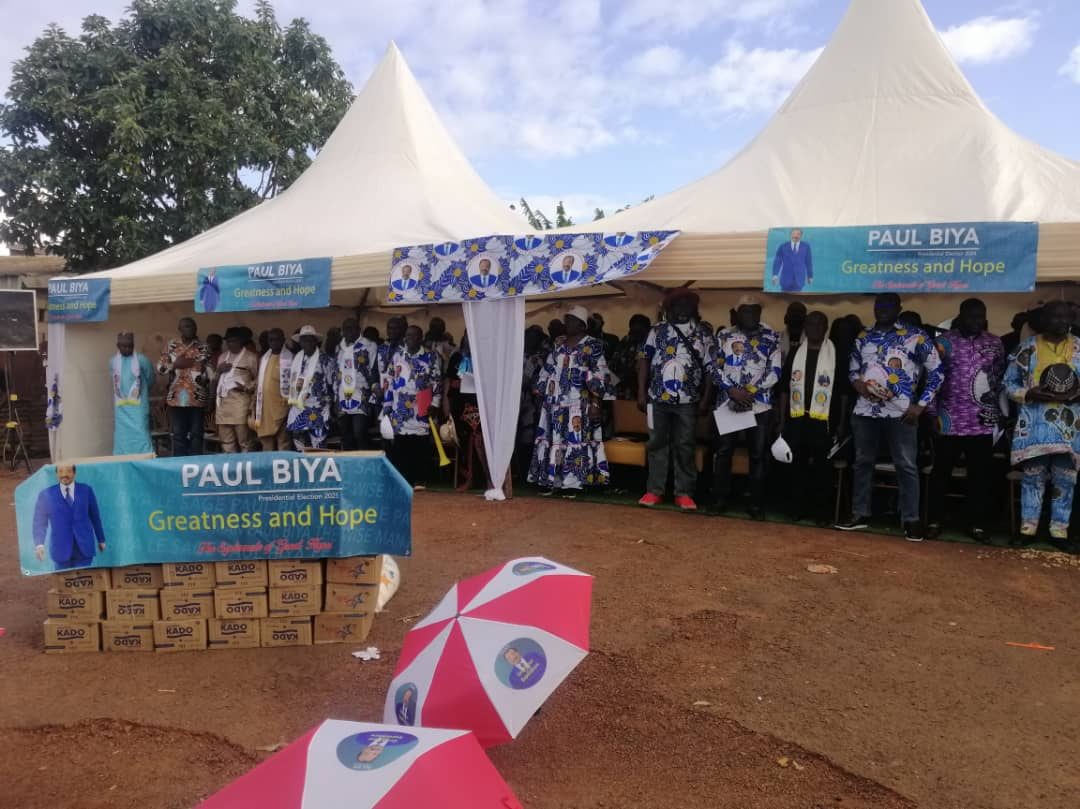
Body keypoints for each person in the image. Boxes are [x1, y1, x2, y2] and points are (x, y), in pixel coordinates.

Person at [836, 293, 943, 540]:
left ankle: (911, 519)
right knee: (862, 462)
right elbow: (852, 370)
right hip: (865, 411)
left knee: (906, 465)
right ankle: (860, 513)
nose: (882, 309)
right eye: (879, 305)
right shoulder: (863, 336)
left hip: (901, 413)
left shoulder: (915, 336)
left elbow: (937, 372)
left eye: (888, 305)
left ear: (899, 308)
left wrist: (920, 406)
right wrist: (859, 385)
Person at [926, 299, 1005, 543]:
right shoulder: (943, 342)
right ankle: (934, 520)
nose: (976, 321)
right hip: (948, 420)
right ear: (960, 317)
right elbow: (932, 378)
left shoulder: (995, 342)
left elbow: (999, 378)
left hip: (982, 420)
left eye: (980, 316)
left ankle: (976, 523)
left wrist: (998, 415)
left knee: (979, 476)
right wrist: (932, 413)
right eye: (971, 316)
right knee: (941, 474)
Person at [1004, 300, 1080, 546]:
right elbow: (1008, 384)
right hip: (1035, 426)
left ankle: (1059, 532)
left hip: (1070, 428)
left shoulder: (1079, 347)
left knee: (1065, 479)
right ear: (1044, 320)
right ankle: (1028, 529)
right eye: (1055, 316)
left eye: (1066, 316)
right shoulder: (1026, 348)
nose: (1062, 321)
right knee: (1032, 477)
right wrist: (1029, 393)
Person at [636, 290, 713, 511]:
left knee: (685, 445)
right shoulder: (656, 331)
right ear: (669, 308)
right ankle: (654, 490)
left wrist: (706, 398)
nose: (682, 307)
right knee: (656, 444)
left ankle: (684, 493)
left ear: (694, 308)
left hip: (688, 401)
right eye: (678, 304)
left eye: (687, 304)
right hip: (656, 398)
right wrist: (641, 392)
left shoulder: (702, 334)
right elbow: (644, 360)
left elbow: (710, 368)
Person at [710, 294, 782, 520]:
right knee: (724, 453)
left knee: (758, 455)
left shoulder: (771, 337)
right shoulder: (724, 335)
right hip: (728, 402)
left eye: (755, 310)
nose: (751, 314)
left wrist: (749, 392)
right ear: (737, 313)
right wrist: (732, 390)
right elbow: (714, 367)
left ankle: (755, 504)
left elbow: (775, 371)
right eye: (746, 310)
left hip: (758, 405)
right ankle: (720, 500)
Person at [529, 306, 613, 495]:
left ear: (582, 325)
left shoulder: (593, 345)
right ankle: (554, 481)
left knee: (575, 442)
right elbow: (549, 367)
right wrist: (540, 388)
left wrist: (595, 402)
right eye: (566, 320)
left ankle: (573, 483)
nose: (566, 323)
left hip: (579, 404)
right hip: (556, 403)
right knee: (556, 440)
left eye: (571, 320)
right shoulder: (559, 343)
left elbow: (600, 374)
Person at [777, 312, 845, 525]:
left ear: (826, 327)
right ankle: (796, 509)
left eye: (819, 323)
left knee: (822, 469)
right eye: (810, 323)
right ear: (805, 327)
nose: (814, 327)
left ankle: (821, 514)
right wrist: (782, 420)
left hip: (824, 421)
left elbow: (843, 392)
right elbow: (785, 388)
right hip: (797, 419)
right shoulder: (796, 352)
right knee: (797, 466)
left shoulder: (836, 354)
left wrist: (842, 422)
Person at [381, 325, 442, 488]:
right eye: (408, 336)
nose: (410, 339)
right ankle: (403, 479)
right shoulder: (397, 356)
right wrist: (387, 405)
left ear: (420, 338)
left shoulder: (430, 356)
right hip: (400, 406)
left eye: (414, 336)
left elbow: (436, 381)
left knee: (419, 443)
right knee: (401, 444)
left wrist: (435, 403)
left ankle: (419, 479)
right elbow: (389, 381)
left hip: (421, 404)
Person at [32, 464, 106, 570]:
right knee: (64, 579)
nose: (64, 474)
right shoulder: (46, 494)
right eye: (60, 471)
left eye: (68, 471)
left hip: (84, 548)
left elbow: (95, 517)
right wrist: (39, 544)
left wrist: (101, 539)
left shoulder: (86, 490)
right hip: (60, 549)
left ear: (74, 473)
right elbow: (39, 521)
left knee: (84, 578)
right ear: (56, 473)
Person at [158, 318, 210, 456]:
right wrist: (175, 365)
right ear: (180, 329)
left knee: (196, 434)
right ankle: (180, 463)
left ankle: (196, 463)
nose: (191, 329)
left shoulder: (203, 347)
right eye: (186, 326)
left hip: (197, 397)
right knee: (178, 434)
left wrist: (187, 363)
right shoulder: (171, 346)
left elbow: (205, 368)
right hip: (177, 398)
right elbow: (161, 369)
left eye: (193, 326)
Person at [445, 334, 489, 491]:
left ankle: (479, 478)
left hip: (478, 406)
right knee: (462, 441)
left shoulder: (484, 357)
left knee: (476, 440)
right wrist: (446, 407)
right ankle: (468, 477)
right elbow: (450, 382)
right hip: (459, 405)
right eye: (467, 337)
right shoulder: (457, 357)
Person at [286, 325, 337, 450]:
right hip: (299, 406)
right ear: (300, 342)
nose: (307, 343)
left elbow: (332, 383)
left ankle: (320, 462)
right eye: (304, 340)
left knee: (318, 441)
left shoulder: (325, 360)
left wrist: (333, 404)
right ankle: (303, 460)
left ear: (315, 341)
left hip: (318, 407)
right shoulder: (297, 358)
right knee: (298, 438)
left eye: (310, 340)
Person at [336, 317, 379, 451]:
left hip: (361, 395)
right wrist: (335, 398)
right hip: (342, 396)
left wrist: (373, 391)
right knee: (345, 434)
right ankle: (349, 462)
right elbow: (337, 372)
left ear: (359, 329)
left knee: (359, 432)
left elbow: (374, 370)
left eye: (352, 328)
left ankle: (364, 460)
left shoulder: (369, 345)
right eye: (346, 328)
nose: (349, 331)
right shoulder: (340, 347)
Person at [214, 327, 259, 453]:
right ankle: (230, 464)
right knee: (226, 441)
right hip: (223, 404)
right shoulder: (222, 357)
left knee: (244, 442)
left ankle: (247, 464)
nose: (230, 344)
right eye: (228, 341)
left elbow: (258, 380)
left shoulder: (251, 357)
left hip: (241, 403)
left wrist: (245, 387)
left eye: (233, 341)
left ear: (241, 341)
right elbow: (215, 379)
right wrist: (219, 371)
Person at [111, 331, 156, 456]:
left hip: (139, 406)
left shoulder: (142, 360)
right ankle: (122, 458)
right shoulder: (113, 361)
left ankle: (145, 457)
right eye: (124, 346)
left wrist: (140, 392)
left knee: (141, 432)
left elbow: (151, 379)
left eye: (130, 346)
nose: (127, 349)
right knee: (122, 435)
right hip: (121, 407)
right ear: (118, 346)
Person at [252, 328, 293, 451]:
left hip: (283, 407)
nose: (274, 342)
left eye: (277, 339)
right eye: (271, 340)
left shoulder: (290, 358)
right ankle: (267, 463)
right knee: (266, 441)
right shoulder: (264, 358)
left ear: (283, 340)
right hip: (265, 408)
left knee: (283, 441)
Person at [612, 314, 651, 400]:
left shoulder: (651, 343)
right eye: (634, 327)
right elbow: (613, 365)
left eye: (640, 328)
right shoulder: (626, 341)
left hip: (646, 390)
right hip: (625, 389)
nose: (637, 332)